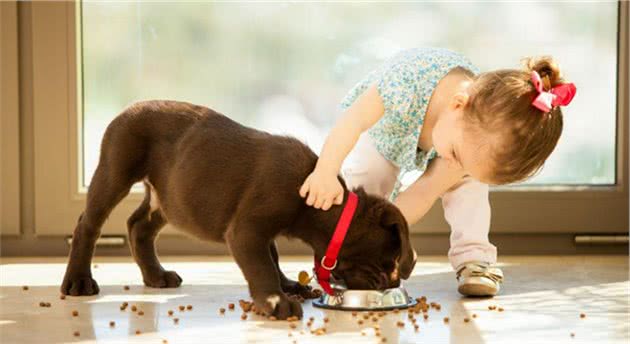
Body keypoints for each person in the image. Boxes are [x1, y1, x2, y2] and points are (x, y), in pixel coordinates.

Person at [299, 46, 576, 296]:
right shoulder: (404, 84)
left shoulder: (470, 137)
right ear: (457, 105)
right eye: (457, 156)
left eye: (467, 165)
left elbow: (424, 191)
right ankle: (351, 256)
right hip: (387, 131)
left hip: (452, 137)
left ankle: (474, 258)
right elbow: (353, 121)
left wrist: (395, 240)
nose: (456, 167)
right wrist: (325, 170)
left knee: (469, 188)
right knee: (368, 177)